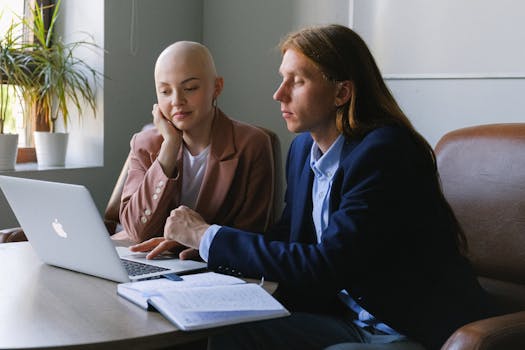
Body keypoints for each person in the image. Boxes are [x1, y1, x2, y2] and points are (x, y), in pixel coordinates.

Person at [131, 25, 494, 349]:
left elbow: (328, 265)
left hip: (409, 330)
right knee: (227, 333)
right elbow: (290, 238)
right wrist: (204, 248)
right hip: (349, 321)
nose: (279, 94)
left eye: (297, 81)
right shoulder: (304, 148)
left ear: (341, 93)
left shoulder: (385, 152)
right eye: (281, 78)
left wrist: (208, 235)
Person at [118, 41, 274, 260]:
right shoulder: (144, 144)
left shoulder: (253, 145)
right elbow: (136, 230)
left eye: (190, 88)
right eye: (165, 91)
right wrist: (169, 147)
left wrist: (188, 245)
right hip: (152, 263)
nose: (177, 101)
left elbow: (249, 237)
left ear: (217, 87)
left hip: (214, 270)